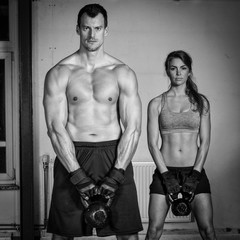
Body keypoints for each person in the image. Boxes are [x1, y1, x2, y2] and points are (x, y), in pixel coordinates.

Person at [43, 4, 142, 240]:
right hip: (73, 153)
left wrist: (118, 172)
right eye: (86, 28)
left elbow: (133, 128)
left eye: (97, 28)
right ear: (77, 29)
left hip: (114, 153)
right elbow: (56, 129)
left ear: (105, 30)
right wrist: (77, 174)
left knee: (127, 233)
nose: (92, 35)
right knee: (63, 234)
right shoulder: (59, 72)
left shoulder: (122, 72)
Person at [145, 50, 217, 240]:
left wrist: (196, 174)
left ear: (189, 71)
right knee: (153, 230)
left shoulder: (201, 102)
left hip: (194, 172)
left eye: (183, 68)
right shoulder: (156, 103)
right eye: (173, 68)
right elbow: (152, 144)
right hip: (164, 172)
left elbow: (205, 142)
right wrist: (166, 176)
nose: (178, 73)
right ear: (167, 71)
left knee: (208, 230)